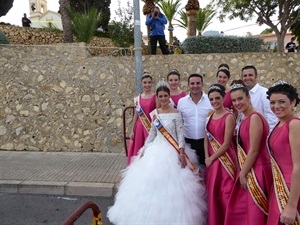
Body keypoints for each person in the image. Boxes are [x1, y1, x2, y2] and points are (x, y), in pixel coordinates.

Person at [107, 82, 207, 225]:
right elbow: (152, 133)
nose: (164, 98)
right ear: (158, 98)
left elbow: (180, 134)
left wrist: (181, 151)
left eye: (166, 95)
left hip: (172, 151)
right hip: (156, 150)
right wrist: (145, 149)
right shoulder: (155, 114)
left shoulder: (176, 113)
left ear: (169, 96)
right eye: (161, 96)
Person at [225, 83, 272, 225]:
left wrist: (243, 173)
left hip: (258, 169)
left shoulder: (255, 117)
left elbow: (254, 150)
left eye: (240, 99)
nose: (237, 103)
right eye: (234, 100)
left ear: (249, 97)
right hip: (249, 166)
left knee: (255, 209)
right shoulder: (244, 117)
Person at [266, 80, 300, 225]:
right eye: (272, 102)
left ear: (293, 102)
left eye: (281, 102)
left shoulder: (294, 124)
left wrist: (292, 206)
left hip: (291, 190)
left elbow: (298, 166)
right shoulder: (280, 123)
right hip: (279, 186)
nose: (276, 106)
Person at [205, 84, 237, 225]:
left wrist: (211, 157)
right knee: (213, 194)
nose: (214, 102)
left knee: (225, 194)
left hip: (224, 160)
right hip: (211, 161)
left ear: (224, 98)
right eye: (211, 99)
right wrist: (207, 156)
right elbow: (206, 137)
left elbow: (226, 143)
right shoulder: (209, 115)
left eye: (217, 98)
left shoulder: (229, 117)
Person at [177, 73, 213, 171]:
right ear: (188, 85)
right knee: (191, 173)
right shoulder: (182, 102)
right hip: (188, 142)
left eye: (198, 83)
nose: (195, 86)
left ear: (202, 84)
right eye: (192, 83)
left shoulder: (210, 100)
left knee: (207, 171)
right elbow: (179, 123)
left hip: (206, 143)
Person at [127, 73, 156, 164]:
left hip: (150, 127)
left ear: (152, 83)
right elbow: (136, 115)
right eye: (145, 82)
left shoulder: (156, 97)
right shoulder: (137, 99)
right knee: (138, 149)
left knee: (150, 149)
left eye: (149, 82)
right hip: (139, 127)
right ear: (141, 84)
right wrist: (132, 130)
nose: (147, 85)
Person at [241, 65, 278, 129]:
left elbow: (271, 119)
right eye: (245, 76)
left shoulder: (264, 93)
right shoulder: (242, 94)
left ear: (256, 77)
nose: (247, 78)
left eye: (250, 75)